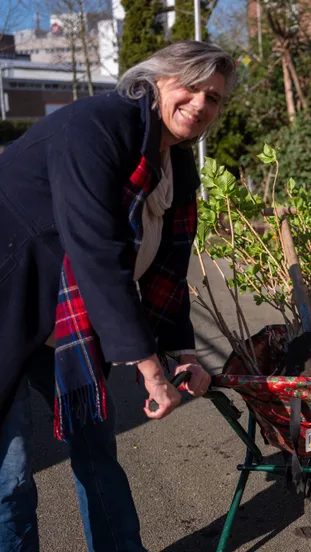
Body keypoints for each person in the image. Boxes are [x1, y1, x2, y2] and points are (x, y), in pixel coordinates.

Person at [0, 41, 236, 551]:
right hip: (8, 306)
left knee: (96, 447)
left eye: (214, 97)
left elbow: (169, 268)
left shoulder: (176, 163)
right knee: (11, 473)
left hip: (67, 316)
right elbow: (97, 253)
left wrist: (181, 353)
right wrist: (149, 367)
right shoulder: (95, 127)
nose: (200, 104)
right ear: (155, 81)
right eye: (190, 87)